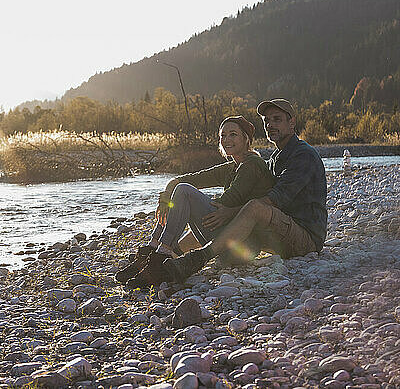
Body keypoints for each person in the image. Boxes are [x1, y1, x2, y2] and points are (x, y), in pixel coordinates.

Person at [128, 99, 328, 288]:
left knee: (247, 206)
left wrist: (229, 211)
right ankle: (158, 256)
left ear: (292, 122)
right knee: (196, 199)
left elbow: (277, 199)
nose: (270, 125)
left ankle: (189, 257)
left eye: (277, 120)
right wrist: (165, 198)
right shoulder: (274, 157)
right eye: (267, 121)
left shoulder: (301, 155)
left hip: (305, 237)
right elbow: (187, 182)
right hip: (274, 233)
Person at [116, 115, 274, 285]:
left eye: (233, 134)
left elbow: (229, 200)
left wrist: (184, 202)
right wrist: (165, 200)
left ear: (246, 139)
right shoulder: (232, 167)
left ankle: (160, 256)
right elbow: (180, 180)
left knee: (184, 192)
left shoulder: (253, 164)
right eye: (222, 135)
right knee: (179, 191)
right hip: (227, 240)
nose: (226, 139)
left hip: (242, 245)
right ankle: (150, 254)